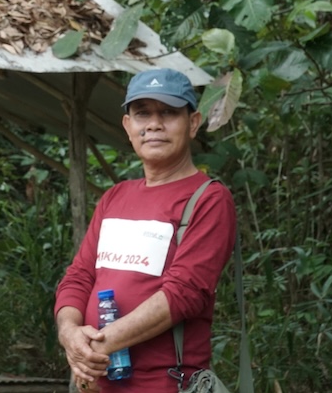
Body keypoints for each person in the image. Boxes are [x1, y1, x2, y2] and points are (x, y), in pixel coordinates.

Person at [54, 69, 236, 392]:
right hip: (95, 383)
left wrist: (94, 346)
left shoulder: (208, 199)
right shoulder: (115, 197)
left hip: (165, 384)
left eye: (168, 112)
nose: (154, 124)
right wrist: (69, 333)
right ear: (128, 126)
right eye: (142, 113)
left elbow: (184, 293)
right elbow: (79, 276)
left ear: (193, 123)